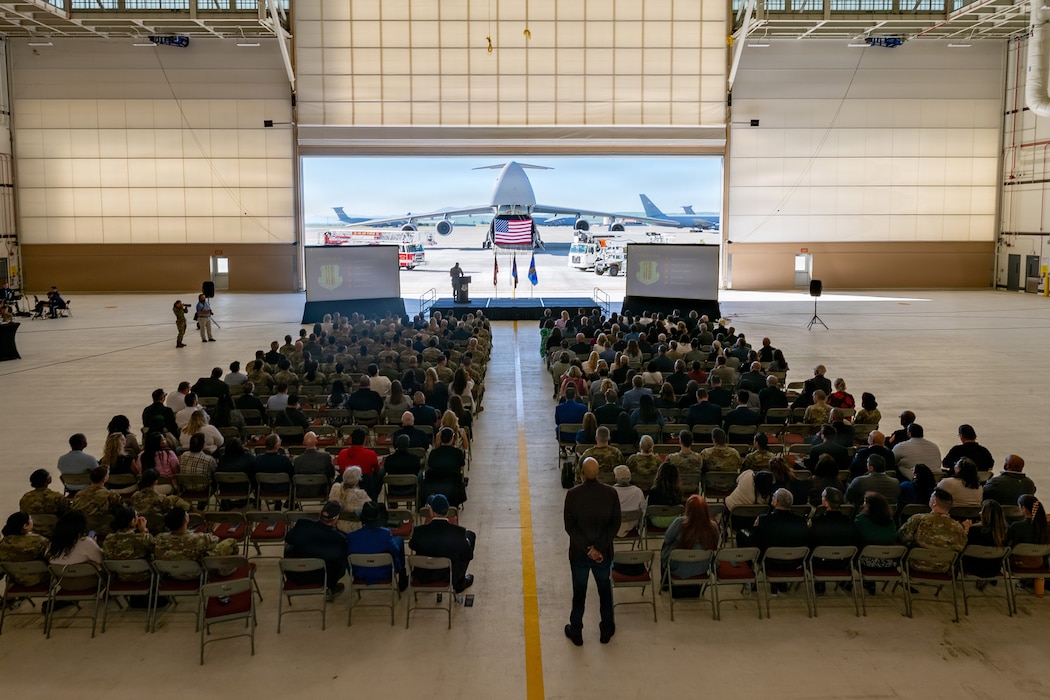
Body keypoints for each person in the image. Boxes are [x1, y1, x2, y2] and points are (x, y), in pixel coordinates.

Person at [563, 457, 620, 646]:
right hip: (602, 554)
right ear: (599, 472)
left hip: (580, 554)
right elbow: (614, 524)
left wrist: (587, 549)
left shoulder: (572, 494)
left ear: (581, 473)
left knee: (579, 592)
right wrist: (599, 548)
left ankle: (576, 630)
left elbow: (570, 527)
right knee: (604, 591)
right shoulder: (611, 493)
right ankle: (606, 629)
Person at [284, 500, 350, 600]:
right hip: (321, 577)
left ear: (320, 514)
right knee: (339, 561)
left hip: (294, 574)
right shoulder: (340, 539)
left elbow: (288, 538)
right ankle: (332, 588)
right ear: (336, 518)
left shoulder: (302, 524)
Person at [410, 494, 476, 593]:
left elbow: (412, 545)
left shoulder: (419, 531)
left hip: (424, 574)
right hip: (448, 575)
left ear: (431, 511)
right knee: (470, 536)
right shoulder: (458, 532)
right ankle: (459, 582)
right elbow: (468, 555)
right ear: (447, 511)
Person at [660, 495, 720, 596]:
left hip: (678, 566)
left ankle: (665, 583)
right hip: (701, 567)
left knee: (666, 546)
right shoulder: (713, 526)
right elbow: (714, 545)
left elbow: (667, 539)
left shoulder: (680, 522)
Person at [897, 489, 966, 573]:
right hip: (943, 567)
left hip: (915, 565)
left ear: (934, 502)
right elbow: (961, 548)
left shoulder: (918, 519)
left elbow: (901, 537)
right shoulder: (958, 527)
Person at [347, 501, 407, 591]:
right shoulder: (385, 534)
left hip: (359, 573)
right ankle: (402, 578)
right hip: (384, 572)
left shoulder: (352, 536)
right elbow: (395, 550)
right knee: (399, 540)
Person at [70, 466, 123, 539]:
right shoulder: (110, 496)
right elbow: (123, 511)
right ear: (105, 479)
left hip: (82, 530)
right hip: (103, 530)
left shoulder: (79, 495)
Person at [961, 499, 1009, 580]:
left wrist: (966, 530)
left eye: (981, 510)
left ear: (984, 514)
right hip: (994, 568)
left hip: (973, 567)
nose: (979, 512)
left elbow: (965, 548)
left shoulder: (975, 530)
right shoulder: (1006, 531)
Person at [131, 469, 189, 534]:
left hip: (140, 529)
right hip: (159, 530)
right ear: (156, 482)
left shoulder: (134, 496)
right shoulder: (160, 499)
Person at [0, 512, 50, 587]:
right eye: (30, 519)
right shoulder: (38, 541)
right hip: (39, 579)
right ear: (25, 526)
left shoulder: (3, 544)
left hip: (15, 579)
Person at [19, 469, 70, 533]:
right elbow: (68, 514)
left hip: (33, 533)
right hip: (54, 533)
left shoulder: (26, 498)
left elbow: (23, 515)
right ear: (48, 480)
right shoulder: (57, 497)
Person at [328, 467, 371, 533]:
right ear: (357, 480)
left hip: (337, 525)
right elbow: (370, 508)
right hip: (356, 528)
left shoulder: (335, 488)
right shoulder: (361, 494)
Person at [611, 465, 645, 538]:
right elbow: (643, 511)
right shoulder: (638, 491)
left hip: (613, 527)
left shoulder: (610, 492)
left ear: (616, 478)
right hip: (632, 526)